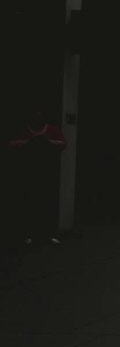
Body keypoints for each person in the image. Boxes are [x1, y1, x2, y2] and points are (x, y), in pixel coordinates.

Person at [9, 105, 67, 246]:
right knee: (28, 202)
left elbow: (63, 143)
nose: (37, 116)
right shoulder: (24, 128)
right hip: (28, 172)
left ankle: (48, 233)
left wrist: (48, 142)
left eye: (40, 114)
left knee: (47, 202)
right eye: (35, 114)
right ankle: (28, 233)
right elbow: (10, 142)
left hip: (48, 172)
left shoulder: (52, 129)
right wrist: (28, 142)